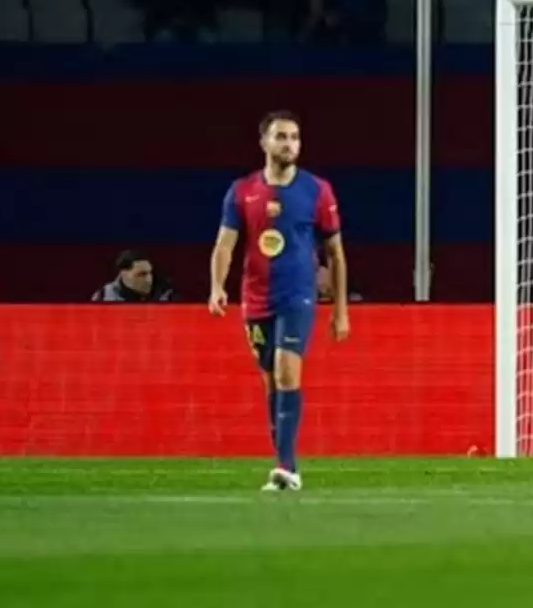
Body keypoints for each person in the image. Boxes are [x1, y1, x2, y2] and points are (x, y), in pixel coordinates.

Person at [208, 111, 349, 490]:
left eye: (295, 138)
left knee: (287, 370)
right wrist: (217, 286)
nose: (289, 144)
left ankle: (286, 466)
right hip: (255, 299)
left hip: (297, 295)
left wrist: (340, 311)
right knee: (271, 379)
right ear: (264, 143)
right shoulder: (242, 191)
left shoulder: (317, 190)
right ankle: (284, 464)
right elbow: (225, 244)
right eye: (281, 137)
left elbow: (335, 253)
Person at [92, 250, 173, 301]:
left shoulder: (168, 295)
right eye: (141, 274)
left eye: (150, 273)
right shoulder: (104, 296)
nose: (149, 279)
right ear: (123, 274)